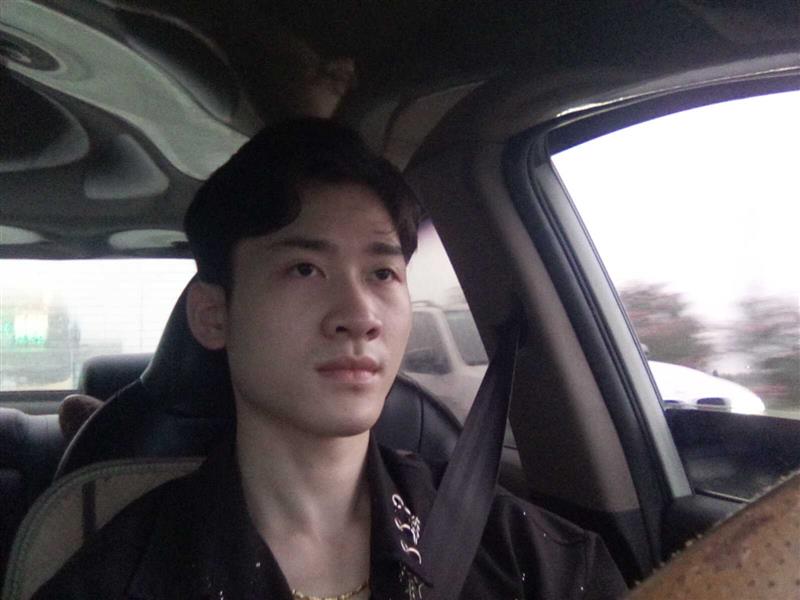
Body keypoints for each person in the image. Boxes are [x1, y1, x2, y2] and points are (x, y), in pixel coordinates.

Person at [33, 118, 627, 599]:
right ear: (213, 315)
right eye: (304, 269)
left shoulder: (534, 561)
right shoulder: (119, 579)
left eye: (382, 273)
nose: (359, 313)